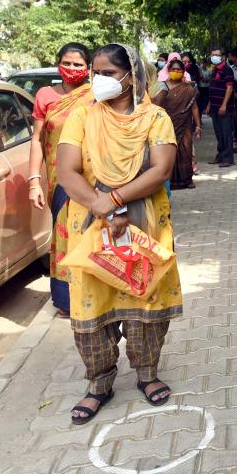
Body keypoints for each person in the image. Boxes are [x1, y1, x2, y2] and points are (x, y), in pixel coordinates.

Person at [57, 43, 182, 425]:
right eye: (96, 72)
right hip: (91, 222)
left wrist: (115, 200)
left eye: (108, 73)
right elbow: (67, 171)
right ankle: (99, 383)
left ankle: (147, 374)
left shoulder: (155, 117)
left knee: (146, 294)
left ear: (130, 76)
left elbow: (160, 170)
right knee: (93, 299)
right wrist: (101, 206)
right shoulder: (81, 117)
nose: (98, 80)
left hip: (143, 221)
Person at [27, 42, 95, 319]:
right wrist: (33, 180)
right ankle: (67, 300)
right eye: (67, 63)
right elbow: (36, 140)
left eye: (78, 64)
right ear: (58, 64)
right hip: (59, 180)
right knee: (64, 234)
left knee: (90, 232)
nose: (72, 69)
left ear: (88, 68)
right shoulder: (45, 95)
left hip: (91, 177)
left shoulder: (96, 93)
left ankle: (94, 293)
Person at [156, 58, 201, 189]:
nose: (176, 71)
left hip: (185, 124)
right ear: (168, 71)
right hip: (167, 124)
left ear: (183, 72)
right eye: (173, 69)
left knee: (186, 150)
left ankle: (187, 180)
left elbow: (194, 108)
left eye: (179, 70)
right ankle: (170, 181)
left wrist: (198, 125)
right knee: (168, 152)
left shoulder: (188, 88)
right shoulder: (161, 86)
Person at [206, 47, 235, 167]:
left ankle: (228, 159)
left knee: (226, 133)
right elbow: (212, 89)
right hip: (214, 106)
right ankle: (220, 156)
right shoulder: (215, 70)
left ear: (222, 57)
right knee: (218, 133)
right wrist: (209, 105)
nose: (214, 56)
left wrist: (224, 105)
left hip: (224, 108)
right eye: (212, 54)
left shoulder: (227, 70)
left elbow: (230, 88)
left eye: (216, 54)